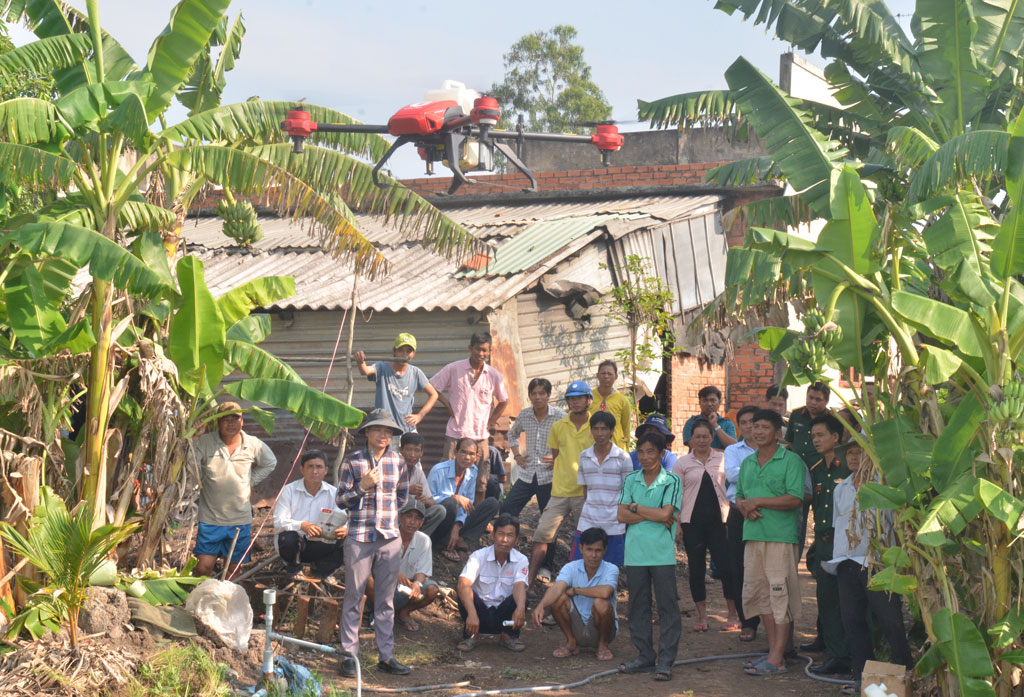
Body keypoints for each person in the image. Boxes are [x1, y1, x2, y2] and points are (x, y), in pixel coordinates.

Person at [823, 442, 912, 694]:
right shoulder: (840, 489)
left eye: (858, 452)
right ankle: (862, 679)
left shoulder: (884, 488)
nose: (853, 457)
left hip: (877, 563)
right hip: (845, 563)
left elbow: (895, 527)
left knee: (890, 621)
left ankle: (906, 675)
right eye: (850, 453)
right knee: (852, 623)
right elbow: (838, 528)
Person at [335, 409, 410, 677]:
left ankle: (386, 657)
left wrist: (387, 520)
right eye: (378, 429)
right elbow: (341, 501)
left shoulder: (398, 461)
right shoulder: (352, 462)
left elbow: (401, 498)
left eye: (388, 431)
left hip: (389, 538)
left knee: (386, 600)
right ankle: (349, 655)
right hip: (359, 537)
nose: (383, 435)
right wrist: (362, 486)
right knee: (354, 596)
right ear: (367, 432)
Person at [735, 409, 805, 676]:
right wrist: (745, 507)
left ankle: (777, 658)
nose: (759, 431)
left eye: (765, 427)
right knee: (760, 595)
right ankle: (773, 653)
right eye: (755, 426)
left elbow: (795, 498)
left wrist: (759, 501)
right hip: (753, 536)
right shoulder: (749, 462)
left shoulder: (791, 461)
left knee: (780, 595)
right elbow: (740, 496)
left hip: (780, 538)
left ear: (778, 433)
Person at [617, 431, 682, 682]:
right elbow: (621, 516)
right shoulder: (631, 479)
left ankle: (665, 661)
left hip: (662, 554)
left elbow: (667, 515)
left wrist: (636, 508)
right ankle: (645, 656)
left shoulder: (672, 481)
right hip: (635, 554)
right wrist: (652, 513)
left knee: (668, 608)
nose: (645, 457)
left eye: (651, 451)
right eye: (641, 452)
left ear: (662, 453)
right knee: (638, 607)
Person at [193, 401, 277, 578]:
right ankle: (199, 600)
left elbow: (270, 463)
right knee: (203, 568)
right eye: (225, 419)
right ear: (218, 422)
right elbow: (190, 463)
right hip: (211, 519)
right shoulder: (206, 442)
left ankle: (227, 603)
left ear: (242, 421)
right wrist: (194, 439)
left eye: (235, 418)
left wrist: (250, 481)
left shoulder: (253, 444)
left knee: (232, 570)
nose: (230, 423)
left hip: (240, 519)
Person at [675, 419, 739, 632]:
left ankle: (732, 614)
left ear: (712, 438)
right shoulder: (682, 463)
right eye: (697, 437)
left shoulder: (722, 458)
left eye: (705, 436)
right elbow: (676, 495)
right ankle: (702, 617)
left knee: (726, 567)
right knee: (696, 569)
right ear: (690, 439)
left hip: (720, 522)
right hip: (692, 523)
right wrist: (678, 524)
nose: (701, 440)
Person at [430, 332, 509, 503]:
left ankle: (475, 519)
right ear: (470, 348)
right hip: (456, 433)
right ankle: (450, 515)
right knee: (449, 478)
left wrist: (491, 421)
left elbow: (504, 401)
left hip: (480, 436)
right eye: (478, 349)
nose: (481, 354)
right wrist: (448, 405)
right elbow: (432, 386)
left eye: (485, 351)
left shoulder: (493, 375)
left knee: (481, 480)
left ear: (489, 351)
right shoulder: (454, 369)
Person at [528, 381, 593, 586]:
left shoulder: (596, 426)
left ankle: (583, 583)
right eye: (571, 399)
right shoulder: (558, 426)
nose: (575, 402)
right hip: (560, 491)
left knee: (587, 539)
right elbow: (557, 457)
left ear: (588, 400)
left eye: (579, 398)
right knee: (542, 534)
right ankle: (528, 581)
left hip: (584, 492)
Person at [502, 377, 566, 576]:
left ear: (549, 395)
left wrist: (559, 459)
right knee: (507, 509)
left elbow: (570, 441)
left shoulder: (560, 416)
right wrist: (518, 455)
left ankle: (546, 566)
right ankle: (506, 555)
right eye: (534, 394)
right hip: (528, 473)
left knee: (549, 520)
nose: (538, 397)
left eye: (542, 393)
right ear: (529, 396)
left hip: (549, 476)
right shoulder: (525, 414)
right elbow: (512, 434)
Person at [783, 380, 830, 651]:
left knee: (822, 522)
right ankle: (794, 556)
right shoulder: (797, 416)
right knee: (797, 522)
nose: (813, 402)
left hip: (822, 474)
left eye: (818, 399)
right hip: (798, 475)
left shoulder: (830, 420)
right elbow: (789, 444)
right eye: (811, 397)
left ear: (826, 401)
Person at [806, 413, 852, 676]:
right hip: (824, 543)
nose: (815, 440)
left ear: (836, 437)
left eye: (821, 435)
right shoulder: (817, 470)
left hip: (845, 544)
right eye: (813, 436)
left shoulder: (847, 467)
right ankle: (836, 654)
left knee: (847, 601)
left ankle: (849, 654)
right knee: (826, 600)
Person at [532, 526, 619, 661]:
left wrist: (576, 590)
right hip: (577, 625)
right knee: (558, 598)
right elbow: (557, 588)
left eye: (598, 550)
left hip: (601, 627)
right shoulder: (571, 567)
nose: (593, 555)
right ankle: (571, 642)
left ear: (605, 551)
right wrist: (541, 606)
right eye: (589, 549)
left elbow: (606, 592)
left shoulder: (611, 568)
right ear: (581, 549)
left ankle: (603, 644)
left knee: (601, 603)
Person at [456, 513, 528, 652]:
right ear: (492, 535)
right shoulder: (478, 556)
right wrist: (471, 613)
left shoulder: (521, 560)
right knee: (463, 591)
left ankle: (508, 636)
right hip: (479, 612)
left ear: (516, 539)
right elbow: (463, 584)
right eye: (501, 534)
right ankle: (471, 635)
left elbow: (519, 586)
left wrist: (520, 608)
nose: (504, 540)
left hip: (504, 615)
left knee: (521, 599)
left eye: (510, 535)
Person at [364, 500, 440, 633]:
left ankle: (403, 612)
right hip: (381, 587)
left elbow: (422, 570)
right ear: (400, 516)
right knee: (366, 579)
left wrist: (417, 584)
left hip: (405, 590)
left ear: (421, 522)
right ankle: (380, 612)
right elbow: (371, 563)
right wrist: (392, 571)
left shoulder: (424, 540)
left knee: (432, 589)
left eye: (417, 519)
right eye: (409, 516)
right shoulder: (386, 534)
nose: (412, 522)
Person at [355, 333, 439, 447]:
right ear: (394, 351)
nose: (404, 354)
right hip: (386, 431)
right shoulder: (382, 367)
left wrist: (420, 416)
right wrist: (361, 363)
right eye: (401, 350)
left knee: (412, 462)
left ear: (413, 353)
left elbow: (434, 394)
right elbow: (365, 371)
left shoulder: (415, 373)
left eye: (408, 351)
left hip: (407, 429)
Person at [273, 449, 346, 578]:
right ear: (302, 469)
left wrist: (344, 529)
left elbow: (343, 518)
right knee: (288, 536)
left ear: (326, 470)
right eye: (310, 467)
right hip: (296, 548)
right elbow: (278, 521)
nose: (314, 471)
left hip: (322, 546)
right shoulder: (289, 490)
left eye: (319, 467)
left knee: (348, 540)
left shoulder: (333, 492)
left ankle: (321, 570)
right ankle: (294, 568)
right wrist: (302, 525)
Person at [572, 411, 632, 567]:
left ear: (612, 431)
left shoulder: (623, 458)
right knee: (579, 567)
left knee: (610, 570)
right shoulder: (584, 456)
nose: (600, 433)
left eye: (604, 429)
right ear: (591, 431)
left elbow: (628, 493)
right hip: (587, 522)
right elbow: (586, 490)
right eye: (596, 429)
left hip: (613, 525)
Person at [426, 438, 500, 561]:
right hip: (439, 522)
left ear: (476, 457)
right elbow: (428, 501)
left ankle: (461, 538)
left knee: (492, 503)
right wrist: (454, 497)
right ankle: (444, 543)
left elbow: (468, 504)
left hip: (456, 521)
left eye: (471, 454)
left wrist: (457, 526)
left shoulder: (472, 471)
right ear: (455, 453)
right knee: (452, 502)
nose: (467, 457)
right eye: (463, 452)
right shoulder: (438, 470)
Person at [723, 405, 760, 642]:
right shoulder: (733, 450)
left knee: (762, 568)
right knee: (738, 567)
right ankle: (747, 622)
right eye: (743, 422)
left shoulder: (774, 451)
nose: (748, 427)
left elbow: (741, 474)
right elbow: (732, 475)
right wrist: (761, 469)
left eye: (752, 422)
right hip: (738, 513)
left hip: (766, 514)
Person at [398, 432, 446, 537]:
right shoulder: (393, 468)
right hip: (396, 514)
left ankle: (415, 541)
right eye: (408, 449)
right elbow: (383, 495)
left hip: (413, 517)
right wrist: (406, 490)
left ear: (421, 453)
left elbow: (431, 501)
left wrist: (425, 501)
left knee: (440, 510)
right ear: (400, 451)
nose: (412, 455)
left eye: (416, 451)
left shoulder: (418, 472)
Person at [589, 360, 632, 450]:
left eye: (609, 374)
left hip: (616, 448)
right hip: (592, 447)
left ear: (615, 376)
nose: (606, 376)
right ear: (597, 375)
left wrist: (626, 450)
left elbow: (626, 428)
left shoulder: (622, 401)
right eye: (603, 373)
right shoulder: (589, 397)